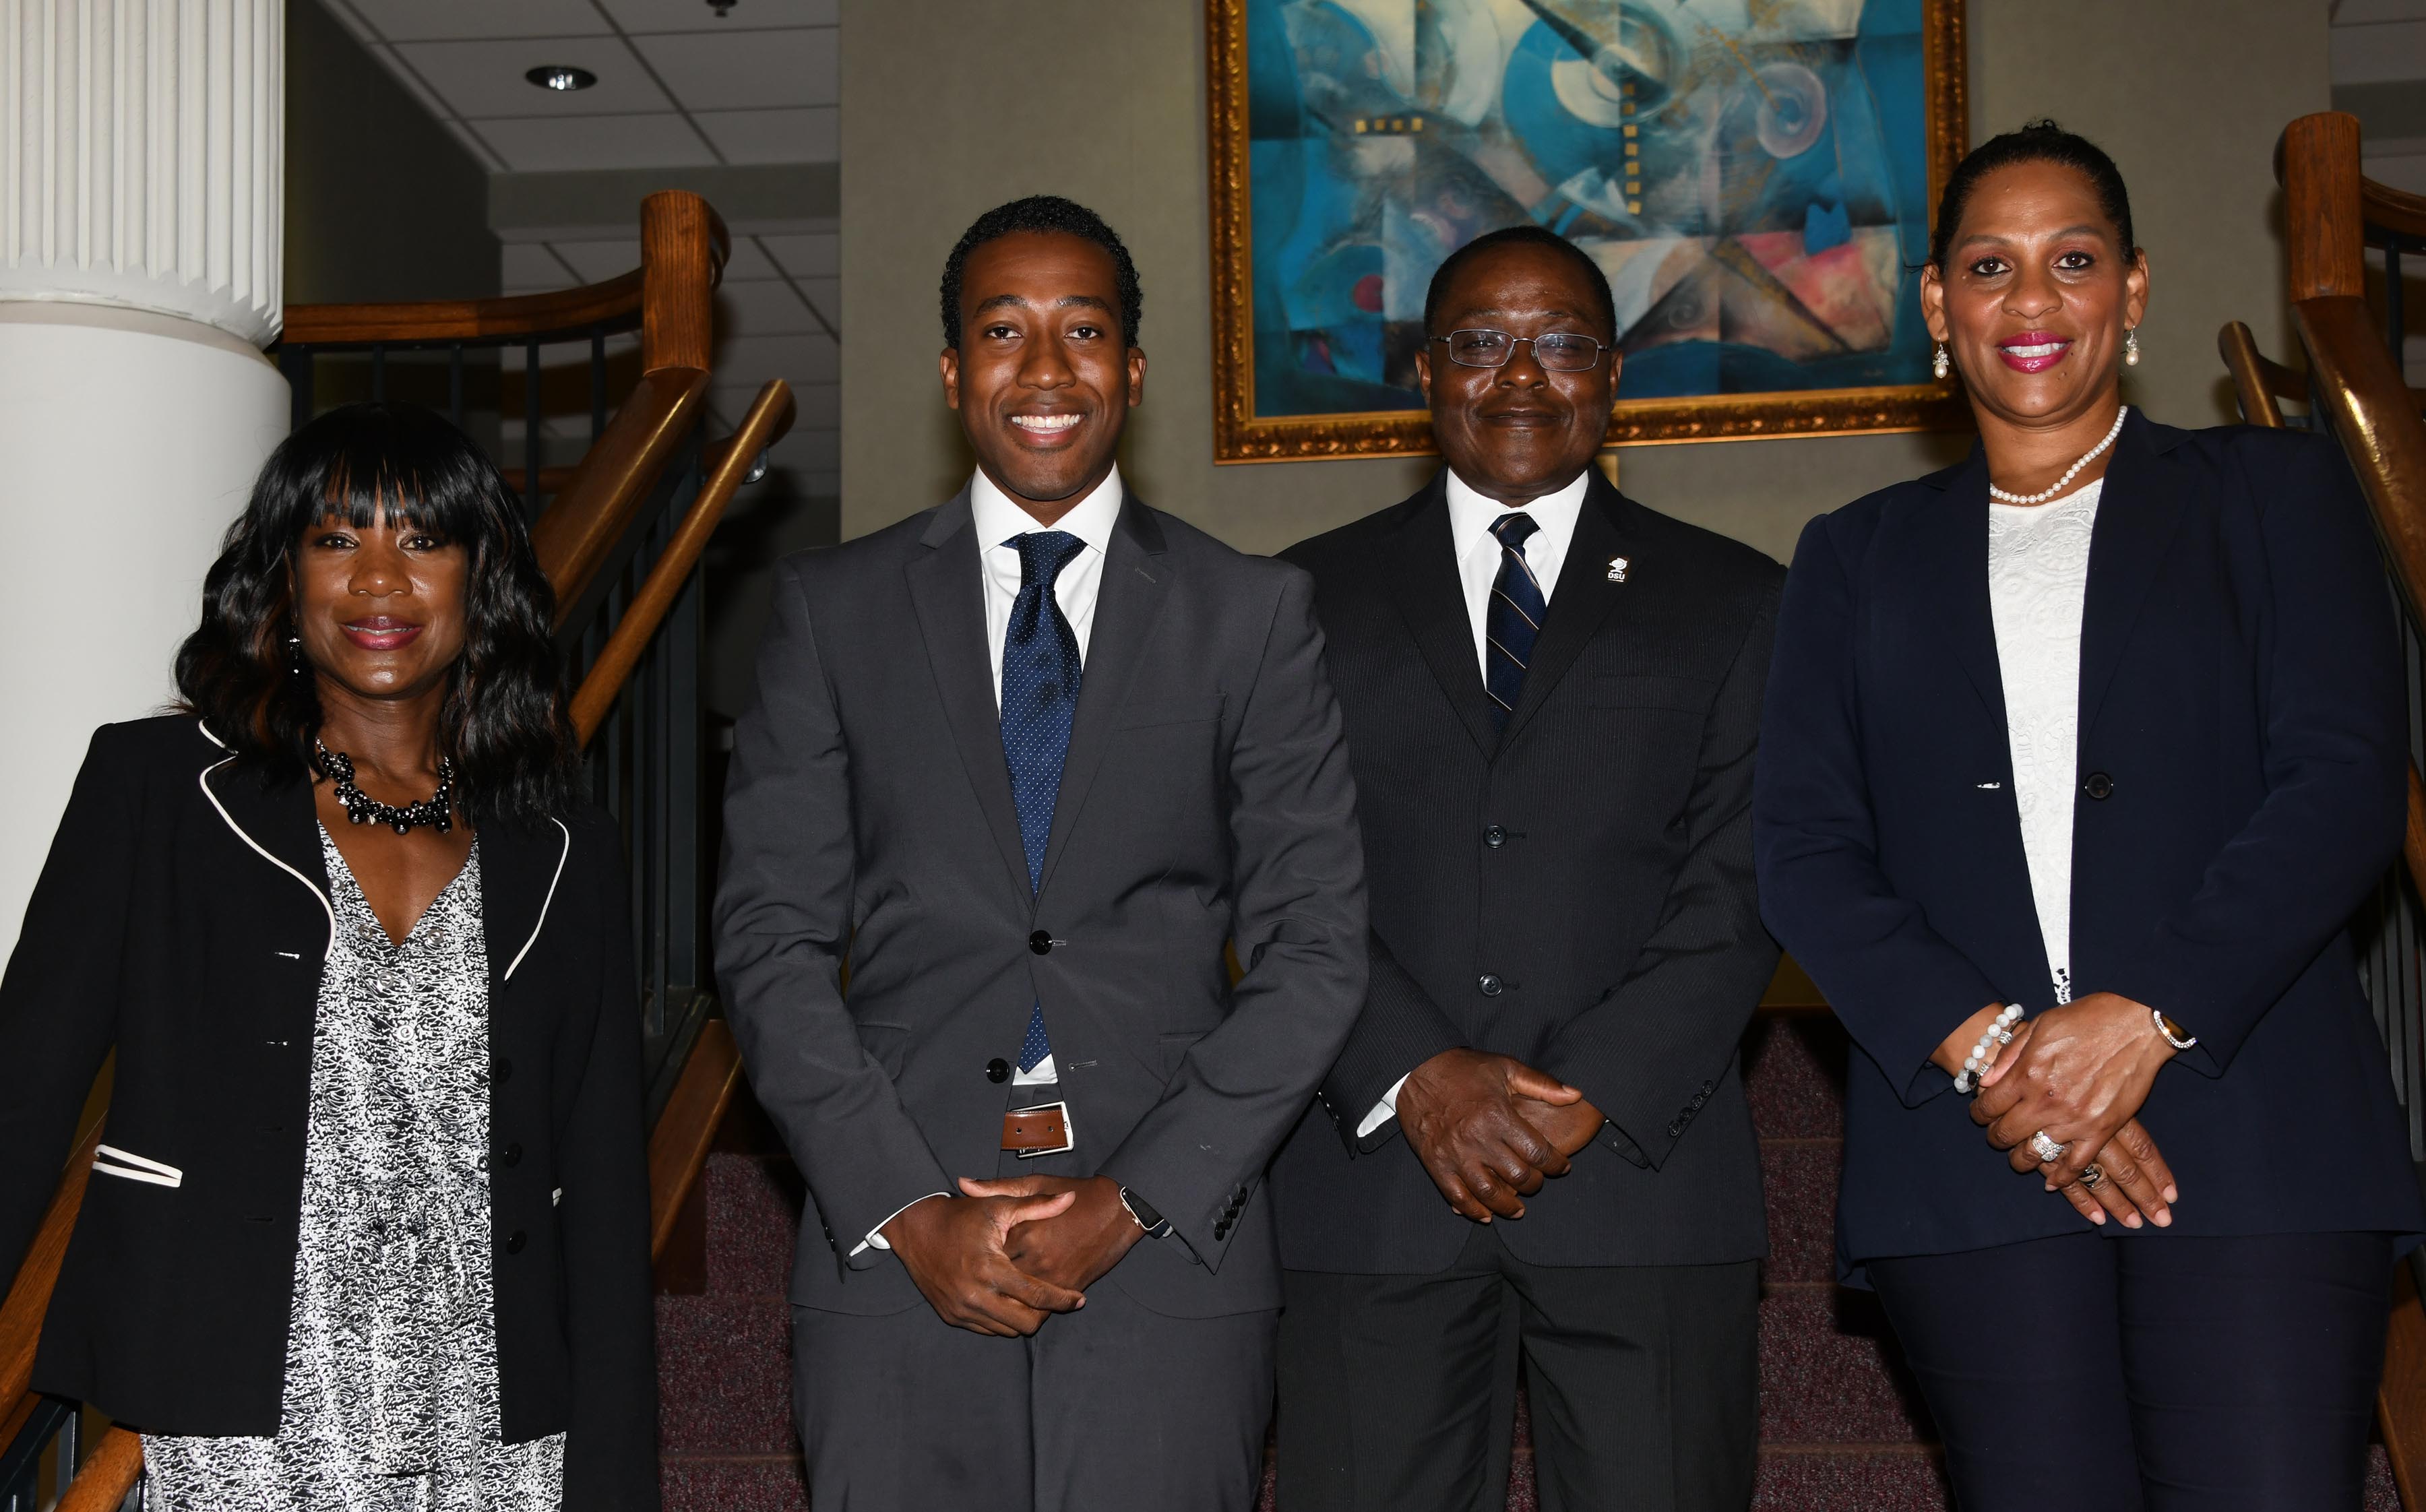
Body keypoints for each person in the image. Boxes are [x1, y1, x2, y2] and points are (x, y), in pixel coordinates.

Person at [1755, 121, 2426, 1511]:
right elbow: (1806, 851)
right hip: (1969, 1152)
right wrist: (2009, 1058)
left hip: (2255, 1140)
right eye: (1990, 267)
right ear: (1939, 308)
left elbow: (2343, 782)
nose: (2033, 300)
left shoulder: (2277, 494)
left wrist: (2148, 1018)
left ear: (2134, 288)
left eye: (2073, 260)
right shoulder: (1853, 557)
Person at [714, 193, 1367, 1512]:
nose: (1047, 369)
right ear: (956, 373)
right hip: (893, 1250)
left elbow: (1315, 949)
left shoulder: (1254, 617)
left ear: (1132, 369)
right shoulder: (830, 615)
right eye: (1004, 330)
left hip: (1174, 1243)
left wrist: (1131, 1199)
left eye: (1085, 330)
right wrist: (907, 1208)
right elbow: (768, 942)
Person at [0, 403, 660, 1509]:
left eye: (423, 540)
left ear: (479, 577)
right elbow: (21, 1099)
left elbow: (599, 1195)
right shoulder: (157, 788)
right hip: (244, 1404)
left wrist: (613, 1480)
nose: (379, 582)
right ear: (286, 578)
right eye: (338, 539)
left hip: (494, 1426)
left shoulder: (567, 850)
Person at [1270, 224, 1782, 1512]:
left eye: (1559, 344)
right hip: (1373, 1186)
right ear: (1424, 374)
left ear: (1612, 376)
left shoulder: (1739, 600)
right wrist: (1418, 1070)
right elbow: (1270, 872)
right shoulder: (1291, 603)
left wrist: (1590, 1090)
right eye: (1480, 344)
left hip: (1640, 1193)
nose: (1519, 377)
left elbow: (1744, 881)